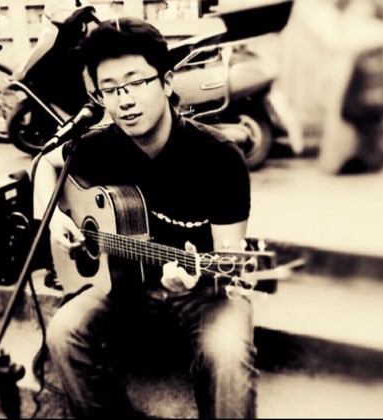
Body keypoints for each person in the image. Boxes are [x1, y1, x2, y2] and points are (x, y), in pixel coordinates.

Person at [33, 16, 258, 419]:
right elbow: (43, 165)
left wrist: (196, 274)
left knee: (227, 355)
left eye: (136, 82)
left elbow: (229, 258)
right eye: (110, 89)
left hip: (203, 289)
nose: (124, 100)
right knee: (63, 332)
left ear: (166, 82)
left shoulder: (219, 157)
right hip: (121, 285)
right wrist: (52, 219)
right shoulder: (97, 146)